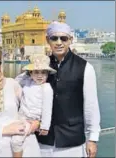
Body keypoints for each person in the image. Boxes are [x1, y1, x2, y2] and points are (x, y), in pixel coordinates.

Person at [35, 21, 101, 157]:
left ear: (70, 40)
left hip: (72, 143)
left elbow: (91, 106)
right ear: (48, 40)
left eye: (63, 38)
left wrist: (92, 138)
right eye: (54, 38)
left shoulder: (85, 68)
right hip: (43, 142)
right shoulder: (40, 68)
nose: (59, 42)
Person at [11, 54, 56, 157]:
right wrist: (27, 73)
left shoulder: (46, 88)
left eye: (43, 73)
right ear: (30, 73)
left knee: (16, 141)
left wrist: (45, 126)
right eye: (36, 72)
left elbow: (47, 108)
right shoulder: (28, 82)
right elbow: (16, 81)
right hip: (20, 117)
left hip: (31, 120)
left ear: (48, 74)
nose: (40, 76)